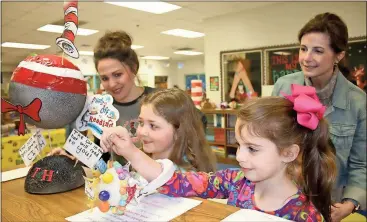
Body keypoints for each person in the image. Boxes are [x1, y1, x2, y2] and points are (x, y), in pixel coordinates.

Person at [101, 91, 337, 222]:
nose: (241, 157)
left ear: (288, 153)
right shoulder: (235, 182)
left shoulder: (305, 216)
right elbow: (177, 182)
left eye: (252, 149)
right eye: (239, 146)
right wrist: (130, 151)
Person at [272, 13, 366, 221]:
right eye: (303, 48)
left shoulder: (358, 102)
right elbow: (270, 142)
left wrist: (350, 204)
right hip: (284, 197)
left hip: (330, 202)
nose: (306, 58)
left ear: (338, 56)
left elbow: (361, 164)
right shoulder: (284, 87)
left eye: (318, 51)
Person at [102, 87, 216, 172]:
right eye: (141, 123)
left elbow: (164, 178)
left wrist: (131, 152)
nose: (142, 132)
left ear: (178, 131)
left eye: (153, 126)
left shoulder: (188, 174)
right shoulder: (143, 158)